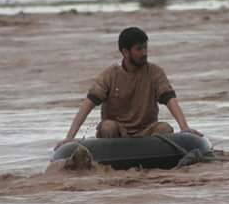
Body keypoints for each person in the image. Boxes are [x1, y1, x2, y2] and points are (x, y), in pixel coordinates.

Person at [55, 27, 201, 149]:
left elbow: (170, 100)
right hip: (118, 133)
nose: (144, 53)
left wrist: (184, 128)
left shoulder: (155, 72)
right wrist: (69, 137)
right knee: (108, 127)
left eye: (145, 48)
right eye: (139, 49)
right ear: (125, 52)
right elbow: (87, 104)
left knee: (164, 128)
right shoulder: (110, 75)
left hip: (146, 132)